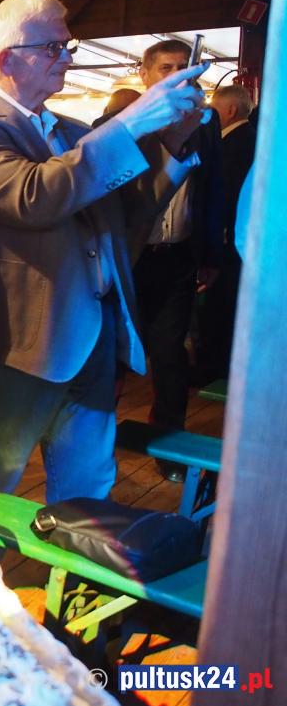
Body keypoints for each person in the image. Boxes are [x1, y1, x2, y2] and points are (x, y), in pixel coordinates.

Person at [0, 0, 210, 510]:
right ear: (7, 60)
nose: (67, 58)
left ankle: (70, 566)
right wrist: (131, 122)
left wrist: (174, 141)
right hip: (13, 347)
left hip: (90, 336)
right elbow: (34, 197)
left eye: (69, 46)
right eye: (53, 48)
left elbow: (124, 215)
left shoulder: (73, 130)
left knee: (87, 496)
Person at [132, 40, 225, 481]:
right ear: (144, 75)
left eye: (182, 68)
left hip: (178, 258)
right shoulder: (119, 123)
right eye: (165, 68)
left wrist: (210, 254)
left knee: (170, 358)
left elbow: (213, 192)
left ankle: (169, 450)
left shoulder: (205, 123)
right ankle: (94, 444)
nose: (175, 75)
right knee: (113, 355)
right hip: (129, 259)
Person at [196, 84, 257, 382]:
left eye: (214, 109)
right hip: (241, 239)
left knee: (221, 305)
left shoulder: (234, 144)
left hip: (229, 239)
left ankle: (212, 367)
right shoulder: (255, 139)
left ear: (230, 110)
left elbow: (226, 194)